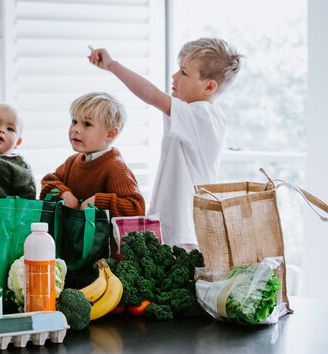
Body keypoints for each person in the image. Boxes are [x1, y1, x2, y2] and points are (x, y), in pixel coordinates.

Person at [89, 38, 242, 250]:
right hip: (172, 228)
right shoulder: (189, 114)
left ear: (209, 86)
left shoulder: (204, 117)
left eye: (184, 73)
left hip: (186, 233)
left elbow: (151, 95)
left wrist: (112, 65)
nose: (175, 76)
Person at [39, 91, 145, 219]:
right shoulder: (72, 162)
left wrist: (99, 201)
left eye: (87, 124)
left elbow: (136, 207)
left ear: (110, 134)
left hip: (100, 239)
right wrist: (63, 193)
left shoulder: (116, 168)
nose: (76, 129)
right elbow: (48, 181)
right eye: (74, 121)